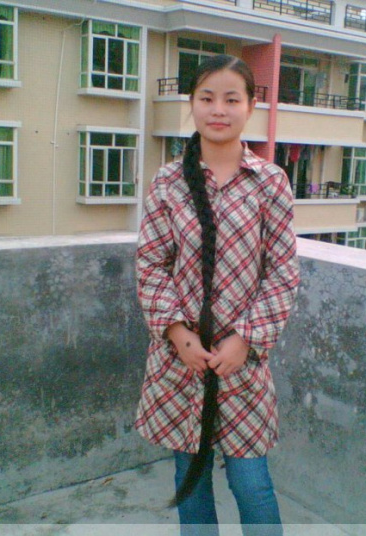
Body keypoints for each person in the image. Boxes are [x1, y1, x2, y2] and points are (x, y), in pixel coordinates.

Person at [135, 54, 300, 536]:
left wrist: (245, 339)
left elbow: (283, 272)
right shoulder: (168, 181)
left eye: (232, 99)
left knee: (253, 486)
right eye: (207, 98)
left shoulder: (270, 182)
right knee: (191, 483)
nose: (218, 110)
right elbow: (151, 263)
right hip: (182, 363)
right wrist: (178, 334)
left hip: (241, 365)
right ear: (192, 105)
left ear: (251, 106)